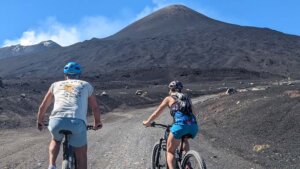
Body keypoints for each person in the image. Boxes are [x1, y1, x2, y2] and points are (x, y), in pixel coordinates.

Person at [37, 61, 102, 169]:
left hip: (55, 121)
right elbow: (95, 107)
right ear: (79, 75)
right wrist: (97, 123)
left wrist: (39, 121)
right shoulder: (85, 85)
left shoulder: (55, 85)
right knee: (81, 153)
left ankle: (51, 165)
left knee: (56, 140)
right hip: (76, 122)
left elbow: (43, 106)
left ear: (65, 75)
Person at [143, 80, 198, 169]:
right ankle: (187, 163)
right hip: (193, 126)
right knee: (184, 139)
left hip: (180, 126)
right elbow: (195, 113)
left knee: (170, 151)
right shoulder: (187, 97)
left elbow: (156, 113)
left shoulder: (169, 98)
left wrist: (148, 122)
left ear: (171, 89)